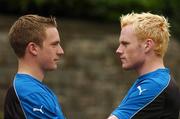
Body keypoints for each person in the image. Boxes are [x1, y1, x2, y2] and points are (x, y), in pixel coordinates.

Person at [108, 12, 180, 119]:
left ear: (147, 45)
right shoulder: (157, 82)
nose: (118, 50)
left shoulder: (154, 85)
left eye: (125, 44)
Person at [4, 14, 66, 119]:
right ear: (33, 48)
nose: (61, 51)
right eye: (54, 44)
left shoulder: (32, 89)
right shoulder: (31, 93)